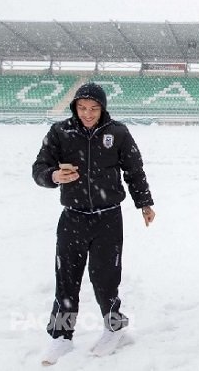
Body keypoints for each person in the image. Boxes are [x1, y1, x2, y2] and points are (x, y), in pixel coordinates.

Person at [32, 82, 156, 365]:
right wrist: (53, 176)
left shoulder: (118, 133)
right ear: (74, 107)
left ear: (103, 109)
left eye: (94, 109)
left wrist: (144, 203)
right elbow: (39, 168)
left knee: (106, 279)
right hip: (72, 217)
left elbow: (134, 171)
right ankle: (61, 337)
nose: (87, 114)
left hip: (108, 218)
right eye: (82, 108)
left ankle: (114, 328)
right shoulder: (60, 132)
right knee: (66, 280)